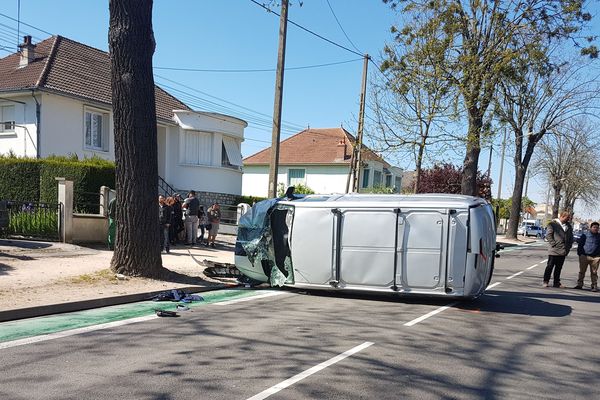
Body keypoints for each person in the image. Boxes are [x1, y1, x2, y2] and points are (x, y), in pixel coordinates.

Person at [543, 211, 574, 288]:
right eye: (567, 218)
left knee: (559, 268)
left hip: (563, 250)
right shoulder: (552, 224)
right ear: (562, 216)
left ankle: (556, 282)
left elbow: (570, 237)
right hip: (554, 250)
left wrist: (569, 246)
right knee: (550, 266)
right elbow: (548, 235)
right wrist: (553, 243)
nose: (568, 220)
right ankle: (545, 281)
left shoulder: (568, 226)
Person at [574, 221, 600, 291]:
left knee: (594, 272)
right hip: (584, 256)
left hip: (595, 258)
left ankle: (594, 286)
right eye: (594, 227)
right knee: (582, 271)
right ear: (590, 228)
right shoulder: (585, 235)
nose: (596, 229)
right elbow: (580, 245)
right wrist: (580, 254)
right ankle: (579, 284)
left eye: (597, 228)